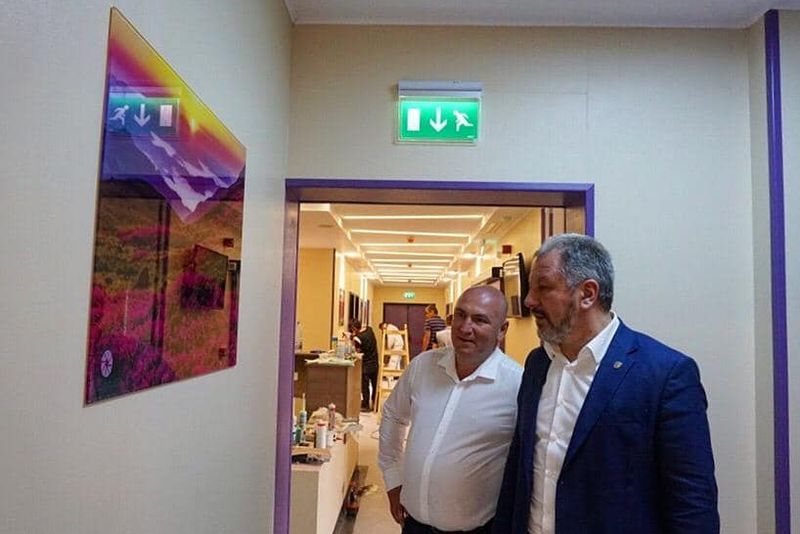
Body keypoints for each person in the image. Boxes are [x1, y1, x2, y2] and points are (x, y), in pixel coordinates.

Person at [493, 234, 719, 534]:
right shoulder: (538, 363)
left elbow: (692, 500)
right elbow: (519, 468)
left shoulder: (665, 374)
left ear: (588, 294)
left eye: (543, 288)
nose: (529, 301)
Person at [379, 286, 523, 533]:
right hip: (413, 525)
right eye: (460, 315)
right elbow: (393, 415)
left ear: (502, 330)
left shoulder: (517, 385)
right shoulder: (423, 366)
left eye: (480, 320)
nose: (465, 328)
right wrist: (393, 477)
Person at [350, 319, 379, 411]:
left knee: (365, 386)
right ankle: (375, 403)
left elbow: (357, 351)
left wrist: (352, 338)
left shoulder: (358, 338)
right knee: (375, 384)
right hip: (375, 362)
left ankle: (366, 405)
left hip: (366, 364)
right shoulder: (370, 330)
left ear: (354, 328)